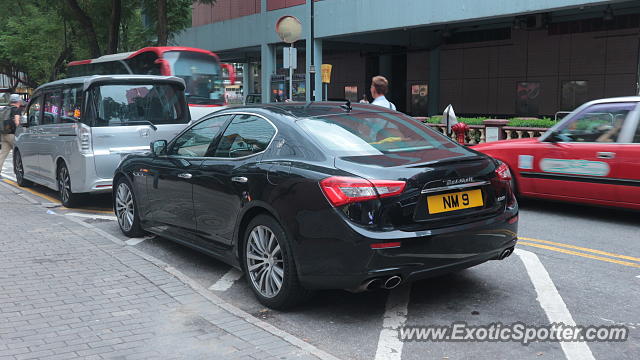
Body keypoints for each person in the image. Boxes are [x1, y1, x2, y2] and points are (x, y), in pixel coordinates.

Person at [0, 94, 22, 178]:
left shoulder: (5, 109)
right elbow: (17, 122)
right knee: (19, 154)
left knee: (2, 154)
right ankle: (20, 173)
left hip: (4, 134)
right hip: (12, 135)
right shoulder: (16, 110)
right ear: (17, 101)